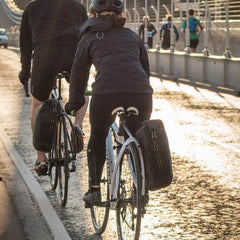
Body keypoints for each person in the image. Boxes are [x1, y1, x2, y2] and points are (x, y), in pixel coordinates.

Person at [65, 0, 153, 204]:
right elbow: (145, 70)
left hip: (106, 94)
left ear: (93, 14)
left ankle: (94, 190)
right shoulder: (132, 35)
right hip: (140, 94)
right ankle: (142, 188)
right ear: (122, 14)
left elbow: (79, 73)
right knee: (138, 136)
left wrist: (75, 102)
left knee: (98, 133)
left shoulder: (88, 36)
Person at [18, 0, 88, 175]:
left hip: (44, 57)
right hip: (72, 54)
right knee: (83, 91)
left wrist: (25, 71)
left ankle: (41, 159)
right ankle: (77, 126)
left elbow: (26, 45)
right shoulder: (78, 6)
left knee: (37, 105)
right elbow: (86, 36)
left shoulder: (32, 7)